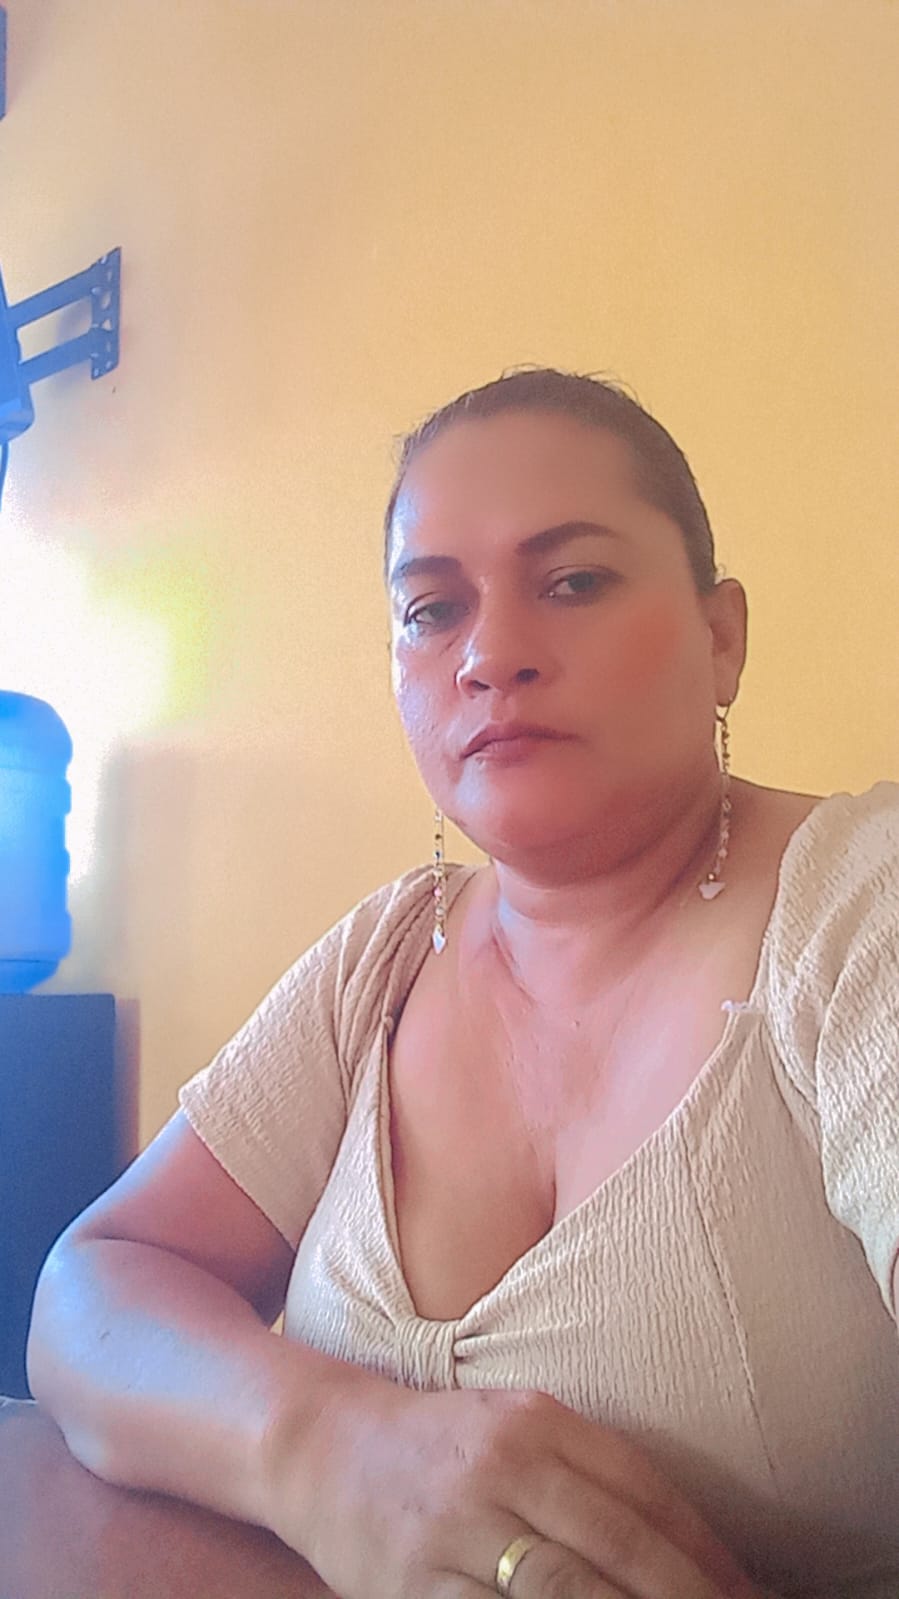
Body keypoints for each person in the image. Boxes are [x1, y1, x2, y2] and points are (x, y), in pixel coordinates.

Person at [27, 369, 899, 1599]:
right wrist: (326, 1449)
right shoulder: (385, 954)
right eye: (430, 610)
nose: (489, 654)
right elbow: (92, 1284)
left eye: (573, 581)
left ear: (721, 637)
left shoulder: (860, 906)